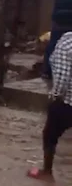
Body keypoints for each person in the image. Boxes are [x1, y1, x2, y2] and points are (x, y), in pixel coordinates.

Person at [27, 31, 72, 181]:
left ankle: (47, 172)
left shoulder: (66, 44)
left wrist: (55, 96)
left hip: (67, 102)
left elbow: (62, 77)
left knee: (49, 135)